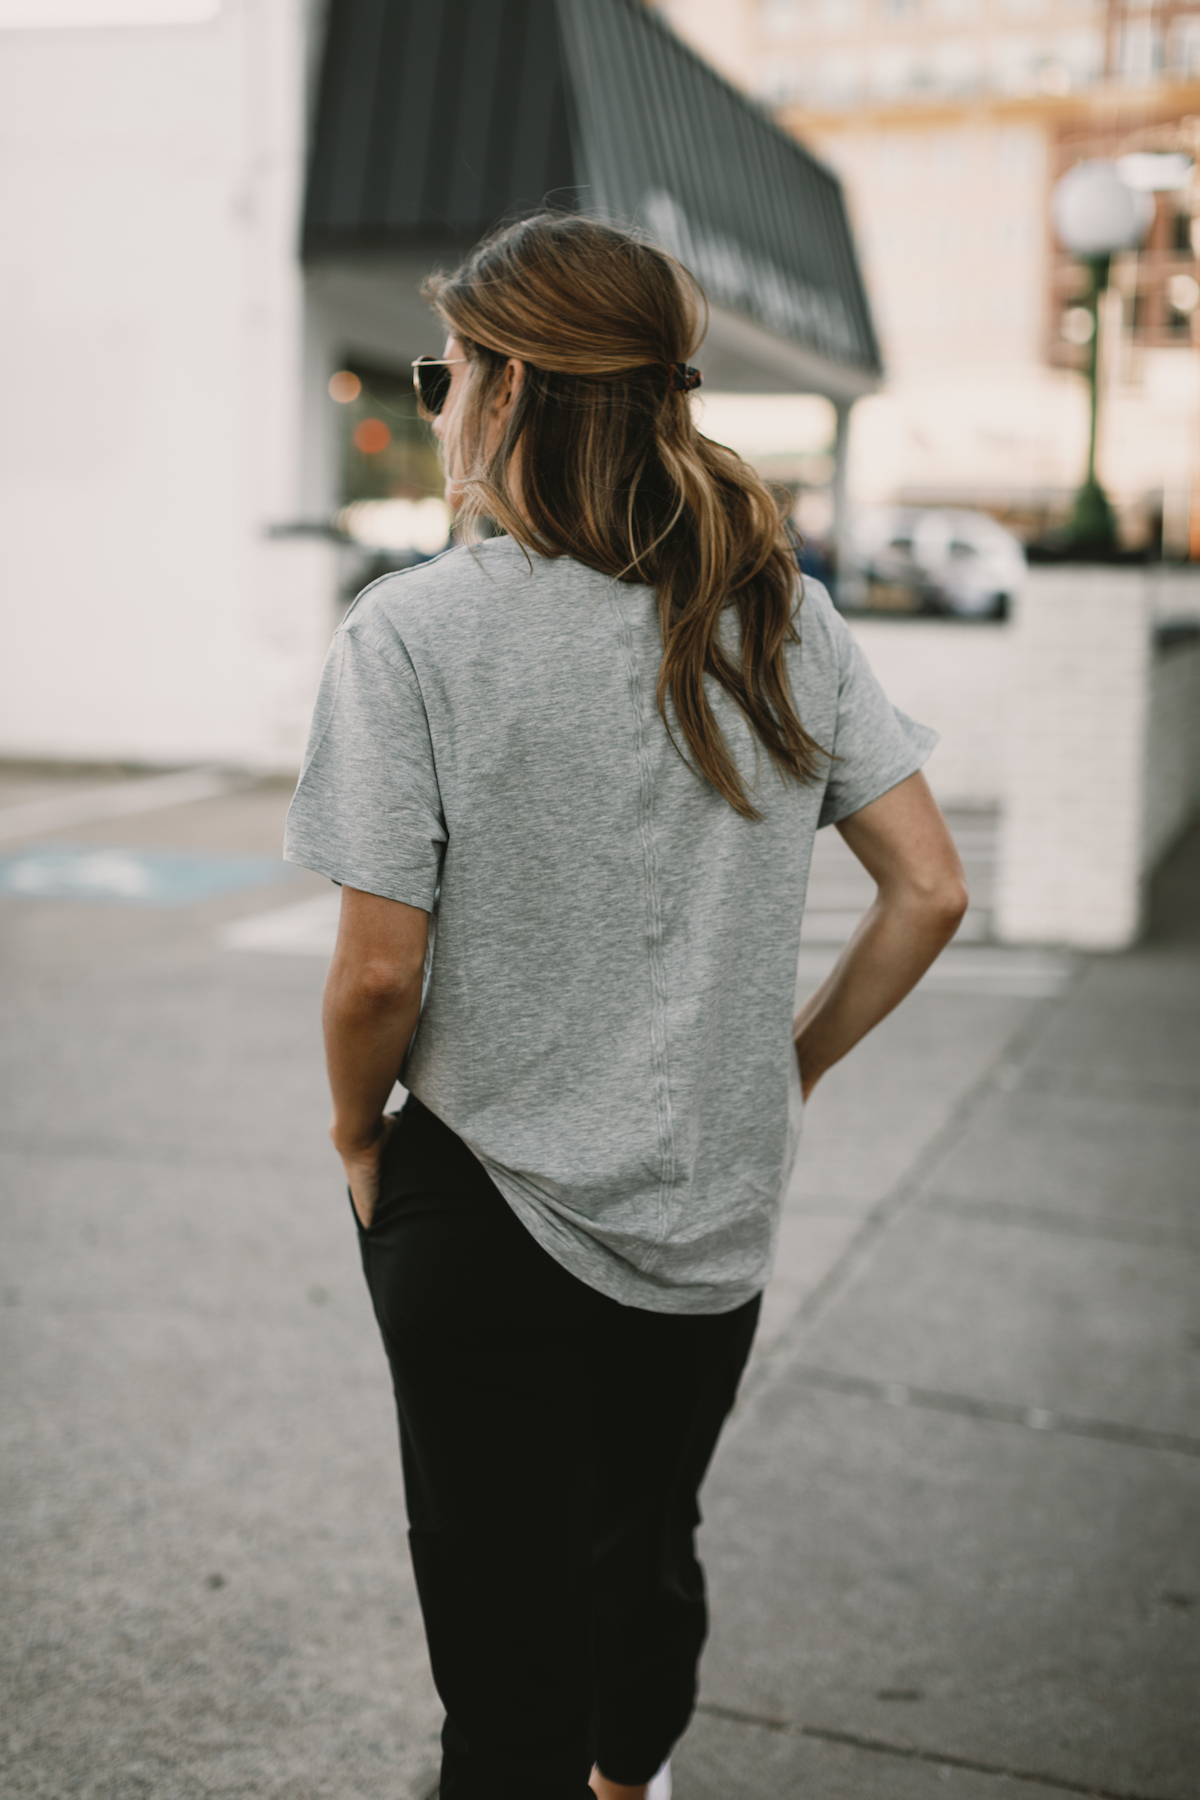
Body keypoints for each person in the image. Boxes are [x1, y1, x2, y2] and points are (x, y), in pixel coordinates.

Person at [284, 213, 967, 1800]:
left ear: (507, 385)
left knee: (498, 1637)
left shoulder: (415, 630)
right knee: (645, 1539)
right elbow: (929, 888)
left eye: (441, 369)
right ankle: (628, 1776)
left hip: (479, 1204)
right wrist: (779, 1067)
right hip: (706, 1202)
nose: (434, 396)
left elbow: (380, 973)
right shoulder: (776, 615)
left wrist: (352, 1137)